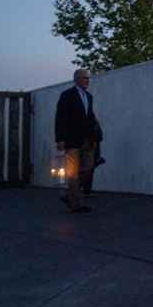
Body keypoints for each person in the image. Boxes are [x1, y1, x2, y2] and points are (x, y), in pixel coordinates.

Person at [54, 68, 96, 212]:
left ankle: (69, 194)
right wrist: (60, 138)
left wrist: (94, 136)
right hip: (72, 140)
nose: (87, 81)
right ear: (76, 79)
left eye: (88, 78)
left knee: (88, 167)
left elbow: (89, 117)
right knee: (72, 173)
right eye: (84, 78)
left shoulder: (89, 96)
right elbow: (60, 117)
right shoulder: (67, 95)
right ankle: (76, 203)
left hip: (87, 139)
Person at [81, 118, 105, 197]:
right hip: (92, 150)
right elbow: (99, 138)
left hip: (90, 149)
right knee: (89, 170)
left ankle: (83, 189)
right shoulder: (94, 125)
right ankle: (85, 190)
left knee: (88, 169)